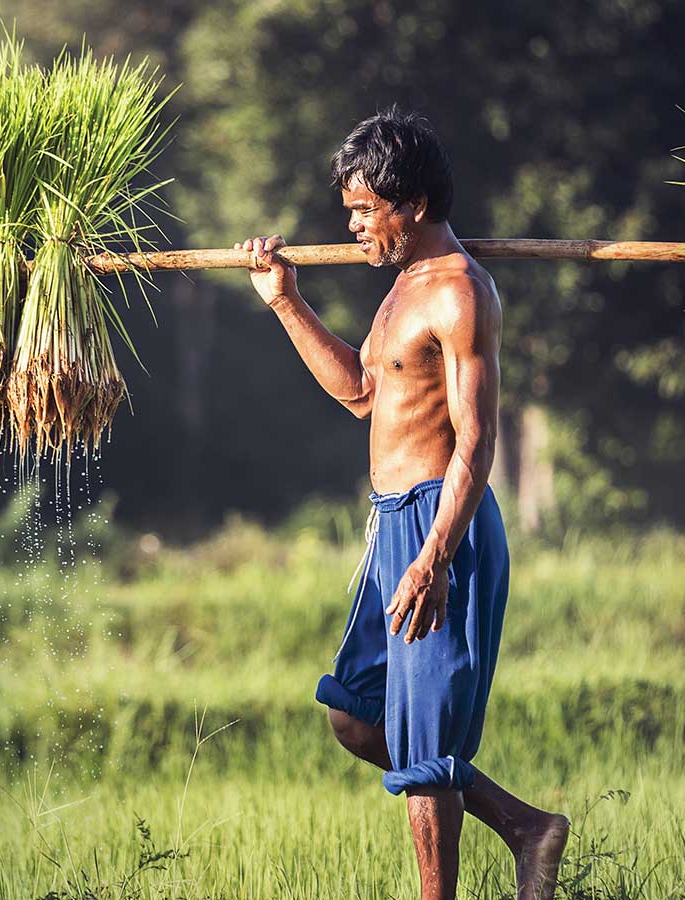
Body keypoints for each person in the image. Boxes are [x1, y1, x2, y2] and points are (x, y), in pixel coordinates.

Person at [235, 107, 568, 900]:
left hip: (437, 524)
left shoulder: (457, 293)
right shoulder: (401, 289)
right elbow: (359, 392)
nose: (351, 226)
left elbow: (476, 442)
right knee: (355, 716)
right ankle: (527, 828)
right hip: (392, 526)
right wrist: (283, 301)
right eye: (349, 210)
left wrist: (435, 554)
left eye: (364, 210)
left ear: (411, 205)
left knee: (424, 753)